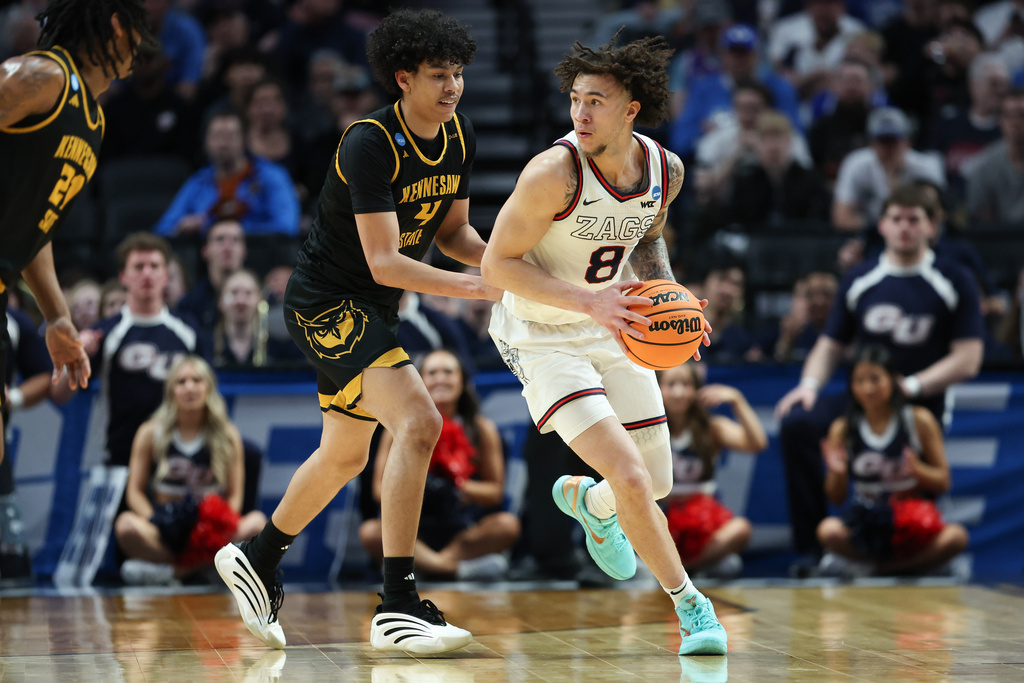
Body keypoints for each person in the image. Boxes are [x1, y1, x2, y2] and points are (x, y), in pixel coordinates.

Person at [214, 9, 498, 654]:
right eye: (438, 74)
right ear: (403, 79)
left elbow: (455, 233)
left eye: (457, 73)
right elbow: (385, 262)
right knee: (419, 423)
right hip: (328, 301)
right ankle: (397, 606)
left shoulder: (459, 135)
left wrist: (507, 268)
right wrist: (477, 289)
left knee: (346, 454)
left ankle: (259, 557)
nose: (452, 86)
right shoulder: (368, 141)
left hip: (374, 309)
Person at [481, 33, 728, 656]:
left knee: (657, 479)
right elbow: (495, 266)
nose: (580, 113)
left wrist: (670, 302)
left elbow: (646, 235)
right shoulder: (552, 173)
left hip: (612, 321)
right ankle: (692, 608)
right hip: (542, 335)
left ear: (630, 109)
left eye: (596, 101)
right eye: (575, 99)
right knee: (630, 475)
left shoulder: (665, 170)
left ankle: (593, 504)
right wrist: (588, 301)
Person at [774, 184, 984, 568]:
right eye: (896, 218)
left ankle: (913, 555)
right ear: (882, 225)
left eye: (914, 219)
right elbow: (830, 344)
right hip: (865, 397)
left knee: (915, 490)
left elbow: (969, 359)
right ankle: (811, 551)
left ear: (932, 226)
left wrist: (911, 386)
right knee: (798, 422)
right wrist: (808, 386)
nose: (904, 227)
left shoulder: (954, 279)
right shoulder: (861, 278)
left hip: (921, 398)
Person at [0, 0, 155, 463]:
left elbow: (36, 227)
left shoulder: (93, 121)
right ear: (116, 25)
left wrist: (57, 317)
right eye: (136, 29)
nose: (142, 44)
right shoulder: (43, 76)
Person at [359, 349, 520, 580]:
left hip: (460, 526)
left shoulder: (481, 428)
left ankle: (422, 567)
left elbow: (494, 492)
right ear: (420, 381)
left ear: (462, 381)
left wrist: (457, 485)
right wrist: (422, 486)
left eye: (448, 372)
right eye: (432, 373)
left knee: (507, 525)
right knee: (371, 532)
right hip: (412, 527)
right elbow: (378, 490)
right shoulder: (399, 427)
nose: (441, 379)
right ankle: (453, 570)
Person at [115, 355, 266, 584]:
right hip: (166, 532)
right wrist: (155, 520)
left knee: (257, 524)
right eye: (181, 382)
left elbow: (235, 496)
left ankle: (172, 573)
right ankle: (206, 569)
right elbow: (134, 492)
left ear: (209, 388)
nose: (189, 388)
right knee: (126, 525)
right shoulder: (149, 432)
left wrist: (216, 527)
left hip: (210, 532)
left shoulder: (227, 434)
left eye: (197, 380)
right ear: (171, 390)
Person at [818, 345, 968, 575]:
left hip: (912, 523)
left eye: (875, 379)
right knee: (828, 531)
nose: (867, 388)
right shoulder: (842, 428)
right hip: (866, 522)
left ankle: (887, 570)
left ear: (893, 380)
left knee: (956, 537)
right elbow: (836, 498)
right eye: (859, 380)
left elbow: (944, 481)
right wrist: (837, 473)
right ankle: (893, 568)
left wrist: (919, 470)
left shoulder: (919, 420)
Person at [83, 233, 199, 467]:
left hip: (176, 457)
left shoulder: (188, 332)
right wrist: (76, 355)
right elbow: (63, 393)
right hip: (118, 457)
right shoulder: (104, 333)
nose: (147, 274)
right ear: (123, 276)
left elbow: (208, 391)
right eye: (138, 267)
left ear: (165, 275)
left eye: (154, 266)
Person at [660, 363, 767, 578]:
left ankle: (683, 571)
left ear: (696, 390)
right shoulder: (648, 430)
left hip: (701, 522)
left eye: (686, 384)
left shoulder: (711, 428)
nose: (678, 392)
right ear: (657, 388)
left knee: (741, 529)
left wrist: (737, 399)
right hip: (662, 519)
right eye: (671, 385)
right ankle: (674, 569)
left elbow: (757, 443)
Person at [152, 110, 300, 238]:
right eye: (217, 136)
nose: (223, 144)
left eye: (230, 136)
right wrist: (180, 228)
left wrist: (234, 233)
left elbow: (287, 226)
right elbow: (162, 230)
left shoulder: (272, 176)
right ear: (206, 142)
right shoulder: (198, 182)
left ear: (244, 140)